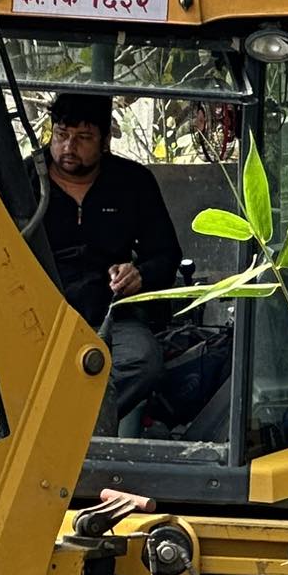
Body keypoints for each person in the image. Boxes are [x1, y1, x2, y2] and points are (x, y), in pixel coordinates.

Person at [38, 92, 181, 422]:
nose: (69, 147)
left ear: (104, 141)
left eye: (83, 138)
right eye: (61, 135)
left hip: (111, 316)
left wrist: (139, 274)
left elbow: (166, 254)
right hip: (39, 316)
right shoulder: (25, 181)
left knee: (144, 361)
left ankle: (70, 427)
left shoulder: (133, 182)